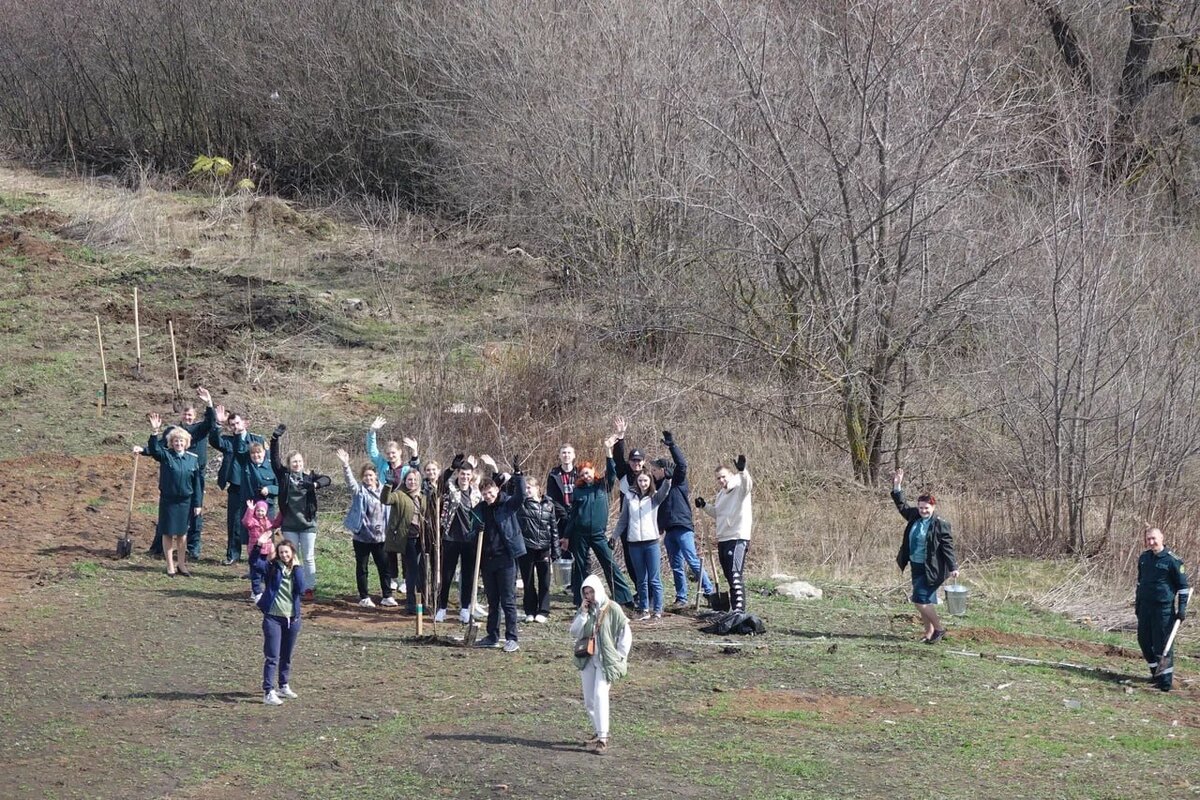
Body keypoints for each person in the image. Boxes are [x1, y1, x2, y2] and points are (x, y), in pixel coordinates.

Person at [559, 439, 635, 608]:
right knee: (579, 568)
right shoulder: (578, 491)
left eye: (588, 473)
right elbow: (573, 516)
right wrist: (566, 536)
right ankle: (580, 601)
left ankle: (623, 598)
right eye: (582, 474)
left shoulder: (603, 485)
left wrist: (608, 451)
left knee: (609, 563)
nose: (586, 476)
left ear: (593, 471)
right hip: (580, 534)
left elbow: (612, 471)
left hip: (598, 534)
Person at [889, 468, 957, 643]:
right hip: (916, 565)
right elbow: (902, 505)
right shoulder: (914, 516)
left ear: (933, 507)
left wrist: (953, 567)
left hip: (932, 568)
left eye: (926, 508)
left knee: (919, 599)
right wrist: (897, 485)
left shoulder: (940, 524)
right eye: (920, 508)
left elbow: (948, 546)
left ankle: (939, 629)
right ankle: (929, 633)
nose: (923, 511)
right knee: (924, 600)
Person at [148, 387, 215, 560]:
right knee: (168, 515)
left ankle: (193, 548)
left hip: (195, 473)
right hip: (175, 475)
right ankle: (159, 548)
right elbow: (159, 448)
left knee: (195, 512)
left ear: (195, 416)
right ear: (181, 416)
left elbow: (210, 422)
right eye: (185, 415)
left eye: (191, 415)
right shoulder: (174, 432)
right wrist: (143, 449)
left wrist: (209, 403)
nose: (188, 418)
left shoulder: (199, 429)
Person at [649, 430, 715, 607]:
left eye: (654, 470)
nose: (652, 473)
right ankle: (681, 597)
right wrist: (659, 526)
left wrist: (672, 446)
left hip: (683, 526)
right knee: (676, 565)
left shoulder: (677, 480)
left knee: (692, 559)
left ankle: (709, 592)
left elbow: (682, 464)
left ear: (662, 470)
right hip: (669, 531)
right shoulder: (659, 487)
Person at [569, 574, 632, 755]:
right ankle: (597, 730)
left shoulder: (613, 608)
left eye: (591, 592)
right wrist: (582, 613)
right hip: (587, 658)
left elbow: (624, 634)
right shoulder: (585, 610)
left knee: (600, 694)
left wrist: (620, 656)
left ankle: (603, 738)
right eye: (586, 593)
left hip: (606, 660)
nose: (589, 596)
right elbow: (574, 631)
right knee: (589, 699)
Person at [134, 415, 203, 577]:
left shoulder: (193, 460)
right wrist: (154, 431)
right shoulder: (166, 455)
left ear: (186, 443)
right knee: (167, 533)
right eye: (176, 441)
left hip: (185, 501)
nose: (178, 444)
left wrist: (198, 503)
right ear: (171, 443)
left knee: (182, 534)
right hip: (169, 501)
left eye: (181, 441)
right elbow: (154, 449)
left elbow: (197, 484)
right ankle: (170, 565)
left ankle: (182, 565)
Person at [270, 424, 331, 601]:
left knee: (309, 557)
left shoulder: (309, 476)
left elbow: (327, 479)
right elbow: (274, 460)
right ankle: (290, 584)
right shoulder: (284, 476)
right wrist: (275, 439)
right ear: (289, 464)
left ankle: (309, 588)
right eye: (294, 462)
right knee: (290, 556)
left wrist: (314, 484)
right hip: (289, 524)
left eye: (300, 461)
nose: (297, 464)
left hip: (307, 525)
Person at [472, 459, 527, 651]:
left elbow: (521, 496)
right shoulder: (479, 509)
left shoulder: (507, 505)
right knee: (492, 601)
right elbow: (472, 533)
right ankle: (492, 635)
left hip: (506, 559)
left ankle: (512, 638)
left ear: (496, 490)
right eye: (484, 493)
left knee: (508, 600)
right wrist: (476, 528)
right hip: (487, 561)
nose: (488, 496)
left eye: (490, 492)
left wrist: (518, 475)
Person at [696, 455, 754, 613]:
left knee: (735, 575)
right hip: (723, 537)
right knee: (729, 576)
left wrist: (742, 471)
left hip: (737, 537)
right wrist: (705, 506)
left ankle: (739, 611)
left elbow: (748, 485)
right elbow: (718, 513)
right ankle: (734, 608)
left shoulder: (740, 487)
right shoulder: (721, 494)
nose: (721, 480)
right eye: (718, 478)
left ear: (731, 475)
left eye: (723, 477)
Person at [336, 449, 394, 608]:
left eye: (371, 475)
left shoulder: (384, 490)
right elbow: (350, 481)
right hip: (361, 536)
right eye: (365, 476)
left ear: (376, 476)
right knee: (362, 568)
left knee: (384, 567)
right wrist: (346, 465)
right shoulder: (359, 491)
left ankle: (387, 595)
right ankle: (364, 597)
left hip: (380, 537)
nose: (368, 478)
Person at [1136, 527, 1190, 691]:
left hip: (1163, 610)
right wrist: (1138, 605)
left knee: (1163, 647)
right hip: (1145, 608)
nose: (1151, 542)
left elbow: (1183, 587)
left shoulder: (1173, 560)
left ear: (1161, 538)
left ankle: (1165, 682)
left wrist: (1181, 609)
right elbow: (1140, 583)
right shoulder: (1144, 558)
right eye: (1148, 539)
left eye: (1154, 538)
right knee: (1144, 642)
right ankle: (1155, 673)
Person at [209, 406, 265, 565]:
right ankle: (233, 554)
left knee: (256, 520)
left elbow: (264, 461)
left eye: (237, 423)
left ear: (245, 423)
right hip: (235, 486)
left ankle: (255, 554)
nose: (235, 427)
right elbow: (214, 440)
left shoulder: (256, 441)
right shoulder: (228, 441)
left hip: (253, 487)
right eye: (232, 424)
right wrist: (217, 424)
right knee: (234, 521)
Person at [257, 539, 307, 706]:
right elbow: (256, 564)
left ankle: (283, 685)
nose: (284, 555)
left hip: (292, 619)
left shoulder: (296, 570)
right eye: (281, 552)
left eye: (287, 552)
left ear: (292, 553)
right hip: (273, 618)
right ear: (277, 555)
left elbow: (301, 589)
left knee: (287, 655)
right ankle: (268, 691)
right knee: (272, 656)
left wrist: (298, 568)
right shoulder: (272, 568)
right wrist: (259, 546)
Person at [435, 454, 483, 623]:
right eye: (462, 474)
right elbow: (439, 484)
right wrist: (450, 468)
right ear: (459, 475)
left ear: (471, 477)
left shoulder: (476, 493)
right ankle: (442, 608)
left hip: (469, 540)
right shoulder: (450, 487)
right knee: (447, 574)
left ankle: (464, 608)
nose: (465, 478)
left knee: (468, 575)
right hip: (451, 538)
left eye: (468, 475)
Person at [619, 471, 670, 619]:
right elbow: (623, 520)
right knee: (641, 579)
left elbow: (665, 491)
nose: (643, 483)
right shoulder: (629, 497)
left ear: (650, 482)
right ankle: (644, 609)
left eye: (646, 481)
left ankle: (658, 610)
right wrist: (614, 536)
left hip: (651, 543)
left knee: (654, 578)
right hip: (634, 544)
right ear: (637, 482)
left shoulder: (654, 497)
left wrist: (668, 479)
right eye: (640, 481)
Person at [382, 467, 433, 615]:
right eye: (409, 479)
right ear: (405, 480)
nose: (412, 482)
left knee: (423, 571)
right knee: (412, 571)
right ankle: (411, 604)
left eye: (415, 480)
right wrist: (388, 485)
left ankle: (423, 602)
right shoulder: (399, 495)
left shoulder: (423, 496)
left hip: (422, 538)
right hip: (407, 538)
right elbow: (385, 499)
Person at [517, 476, 558, 623]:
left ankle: (543, 610)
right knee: (528, 581)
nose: (527, 490)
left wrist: (556, 550)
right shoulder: (522, 504)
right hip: (526, 547)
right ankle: (529, 610)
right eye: (525, 487)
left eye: (530, 487)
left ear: (537, 488)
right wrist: (517, 475)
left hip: (544, 547)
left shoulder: (548, 505)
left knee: (544, 581)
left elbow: (554, 528)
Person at [611, 417, 643, 592]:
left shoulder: (648, 478)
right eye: (633, 461)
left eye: (639, 461)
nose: (636, 464)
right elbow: (617, 457)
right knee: (630, 557)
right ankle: (639, 588)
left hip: (644, 524)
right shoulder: (624, 474)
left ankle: (648, 590)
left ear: (643, 462)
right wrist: (620, 436)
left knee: (643, 558)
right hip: (627, 523)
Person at [242, 500, 278, 602]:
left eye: (262, 511)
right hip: (254, 551)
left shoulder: (267, 522)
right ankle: (256, 592)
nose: (260, 513)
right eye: (258, 511)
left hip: (265, 551)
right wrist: (250, 509)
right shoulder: (252, 521)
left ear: (266, 512)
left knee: (264, 571)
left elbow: (271, 533)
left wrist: (271, 548)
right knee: (255, 572)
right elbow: (246, 522)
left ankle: (262, 590)